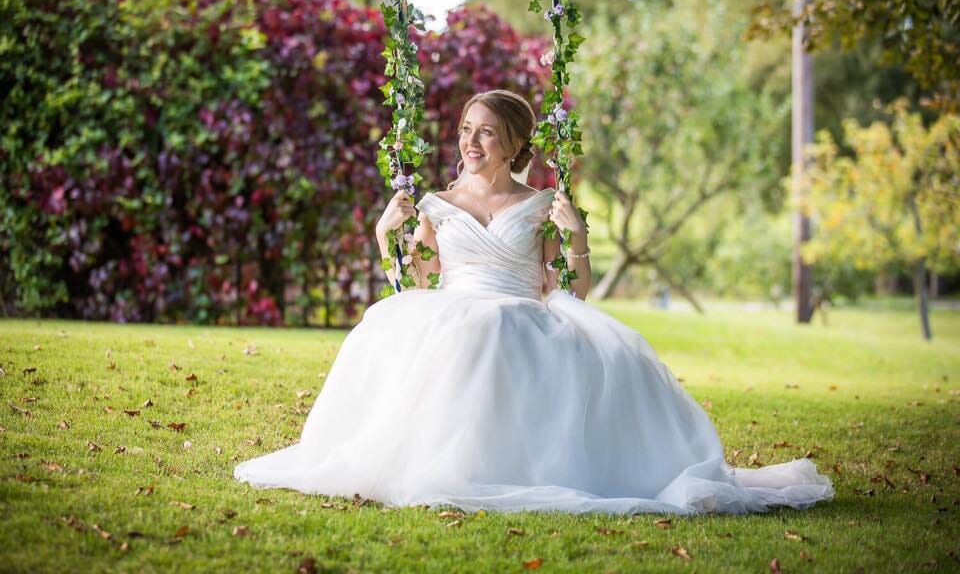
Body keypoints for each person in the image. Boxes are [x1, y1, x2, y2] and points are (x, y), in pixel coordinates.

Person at [234, 90, 835, 515]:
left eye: (486, 130)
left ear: (514, 141)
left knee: (504, 333)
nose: (471, 140)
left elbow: (573, 290)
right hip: (455, 307)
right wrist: (381, 234)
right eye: (466, 128)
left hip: (524, 310)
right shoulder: (436, 205)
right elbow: (417, 283)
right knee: (456, 332)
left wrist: (576, 236)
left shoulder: (540, 203)